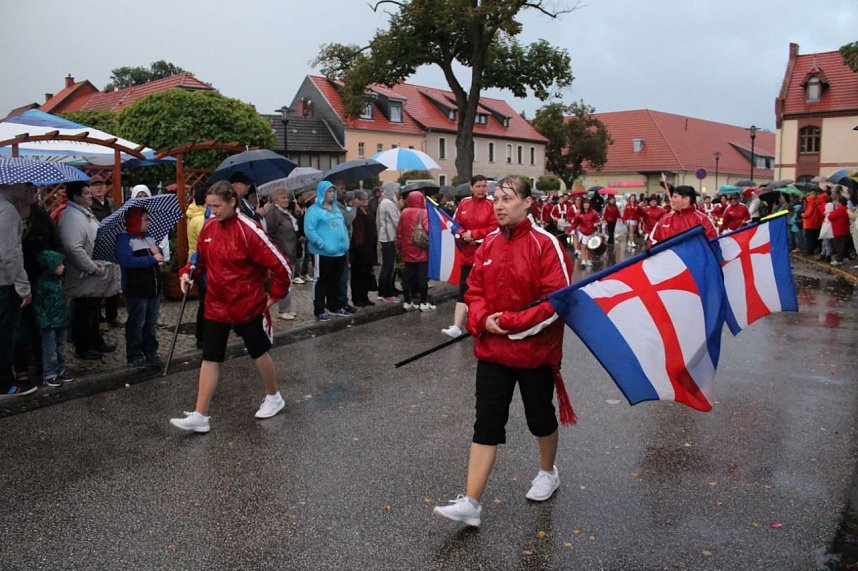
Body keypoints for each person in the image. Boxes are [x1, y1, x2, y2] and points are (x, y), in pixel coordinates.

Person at [433, 176, 574, 528]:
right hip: (493, 351)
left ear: (527, 203)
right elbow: (474, 291)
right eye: (496, 198)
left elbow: (557, 302)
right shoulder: (489, 244)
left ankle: (548, 472)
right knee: (486, 423)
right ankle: (472, 502)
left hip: (535, 353)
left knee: (540, 417)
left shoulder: (546, 244)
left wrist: (509, 324)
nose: (498, 205)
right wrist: (482, 320)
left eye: (507, 198)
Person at [170, 181, 292, 433]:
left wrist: (274, 296)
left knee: (258, 351)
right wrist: (187, 273)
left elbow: (282, 266)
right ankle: (200, 415)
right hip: (216, 303)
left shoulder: (250, 230)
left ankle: (274, 396)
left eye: (216, 206)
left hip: (246, 304)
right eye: (209, 206)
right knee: (210, 355)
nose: (212, 211)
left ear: (232, 202)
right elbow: (199, 260)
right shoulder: (209, 227)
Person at [58, 181, 120, 360]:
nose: (90, 195)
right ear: (76, 197)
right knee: (84, 312)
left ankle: (95, 341)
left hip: (93, 276)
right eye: (86, 193)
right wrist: (91, 268)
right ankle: (83, 346)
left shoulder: (84, 213)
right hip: (84, 275)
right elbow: (73, 248)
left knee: (92, 310)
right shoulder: (72, 217)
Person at [442, 175, 497, 338]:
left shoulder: (492, 205)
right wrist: (462, 235)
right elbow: (455, 225)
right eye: (478, 186)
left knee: (486, 291)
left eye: (484, 186)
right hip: (467, 255)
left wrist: (474, 235)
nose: (481, 189)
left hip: (485, 255)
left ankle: (485, 324)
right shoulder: (464, 203)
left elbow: (494, 227)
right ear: (471, 187)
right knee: (464, 290)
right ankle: (457, 326)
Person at [116, 206, 164, 370]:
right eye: (145, 219)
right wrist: (152, 259)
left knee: (151, 323)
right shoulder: (124, 240)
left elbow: (158, 253)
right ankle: (135, 354)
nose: (148, 222)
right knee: (137, 323)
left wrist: (158, 251)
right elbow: (128, 261)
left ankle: (151, 351)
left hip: (152, 288)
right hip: (136, 290)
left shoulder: (148, 237)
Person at [0, 183, 35, 397]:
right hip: (5, 283)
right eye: (23, 186)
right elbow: (10, 253)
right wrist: (23, 286)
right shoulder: (7, 211)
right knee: (5, 333)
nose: (26, 190)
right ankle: (5, 383)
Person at [304, 180, 350, 321]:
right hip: (323, 253)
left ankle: (334, 306)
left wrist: (345, 243)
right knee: (321, 281)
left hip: (339, 252)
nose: (332, 194)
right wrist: (321, 244)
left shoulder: (336, 209)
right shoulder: (313, 211)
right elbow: (309, 230)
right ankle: (319, 310)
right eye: (329, 191)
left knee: (334, 281)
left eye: (333, 191)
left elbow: (343, 226)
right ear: (322, 193)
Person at [34, 250, 73, 386]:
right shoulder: (42, 285)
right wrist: (44, 321)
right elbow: (38, 306)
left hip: (60, 320)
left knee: (60, 348)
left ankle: (60, 370)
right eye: (59, 265)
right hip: (49, 323)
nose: (63, 267)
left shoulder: (58, 282)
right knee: (50, 349)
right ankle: (49, 373)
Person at [89, 175, 123, 329]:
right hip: (98, 246)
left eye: (101, 185)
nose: (99, 188)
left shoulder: (111, 203)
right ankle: (98, 317)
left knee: (113, 283)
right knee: (99, 284)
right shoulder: (90, 205)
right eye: (95, 185)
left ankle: (112, 316)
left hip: (113, 244)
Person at [264, 187, 300, 319]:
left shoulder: (285, 212)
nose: (286, 200)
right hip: (283, 252)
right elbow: (271, 233)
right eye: (283, 197)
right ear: (276, 200)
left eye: (287, 197)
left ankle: (287, 308)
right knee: (284, 281)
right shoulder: (273, 213)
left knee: (289, 282)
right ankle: (283, 310)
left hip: (290, 251)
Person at [396, 190, 434, 311]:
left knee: (407, 277)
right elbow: (429, 230)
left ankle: (407, 302)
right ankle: (423, 302)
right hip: (421, 250)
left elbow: (399, 231)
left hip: (407, 250)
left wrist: (400, 247)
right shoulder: (424, 212)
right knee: (422, 278)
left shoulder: (404, 212)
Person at [648, 185, 717, 246]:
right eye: (672, 197)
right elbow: (652, 240)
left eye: (675, 197)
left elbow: (713, 242)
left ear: (686, 199)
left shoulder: (702, 219)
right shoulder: (665, 219)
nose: (671, 200)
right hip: (667, 256)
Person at [349, 189, 378, 307]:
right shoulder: (355, 212)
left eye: (366, 199)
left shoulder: (368, 211)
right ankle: (357, 298)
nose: (365, 201)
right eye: (362, 199)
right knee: (358, 274)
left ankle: (365, 296)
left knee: (367, 273)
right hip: (359, 248)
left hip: (369, 246)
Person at [376, 182, 401, 303]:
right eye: (397, 190)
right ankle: (387, 294)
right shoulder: (389, 204)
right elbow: (397, 221)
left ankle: (382, 292)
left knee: (386, 266)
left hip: (386, 237)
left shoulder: (385, 202)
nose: (398, 193)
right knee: (389, 267)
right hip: (389, 238)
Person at [575, 198, 601, 267]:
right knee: (583, 246)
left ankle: (589, 260)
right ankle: (583, 260)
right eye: (585, 203)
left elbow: (599, 220)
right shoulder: (579, 213)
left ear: (589, 204)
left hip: (591, 231)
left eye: (588, 203)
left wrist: (596, 223)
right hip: (582, 232)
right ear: (582, 204)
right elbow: (575, 221)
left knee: (589, 247)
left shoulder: (594, 212)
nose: (586, 205)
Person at [827, 197, 851, 266]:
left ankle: (839, 260)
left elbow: (830, 216)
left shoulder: (840, 209)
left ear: (840, 203)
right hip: (843, 230)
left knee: (839, 246)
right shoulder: (845, 209)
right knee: (842, 246)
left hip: (839, 230)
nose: (836, 203)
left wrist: (830, 212)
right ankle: (841, 258)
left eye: (837, 201)